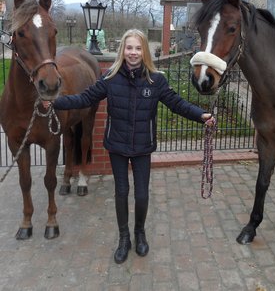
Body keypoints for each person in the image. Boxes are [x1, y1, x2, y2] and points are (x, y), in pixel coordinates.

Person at [43, 29, 215, 264]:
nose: (133, 53)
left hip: (143, 146)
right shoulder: (109, 78)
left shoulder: (157, 80)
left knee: (142, 194)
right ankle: (124, 238)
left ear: (143, 51)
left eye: (137, 48)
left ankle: (139, 233)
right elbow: (84, 98)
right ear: (122, 50)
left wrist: (201, 115)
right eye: (129, 48)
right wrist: (55, 101)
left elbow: (177, 103)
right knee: (121, 192)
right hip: (117, 146)